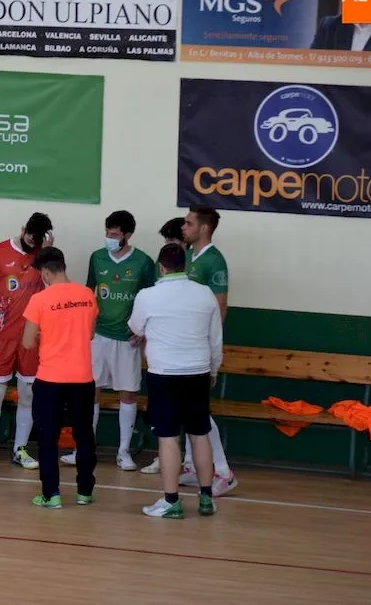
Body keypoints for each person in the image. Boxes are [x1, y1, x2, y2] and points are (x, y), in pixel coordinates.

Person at [128, 244, 222, 519]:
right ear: (186, 266)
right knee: (200, 434)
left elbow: (135, 327)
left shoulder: (148, 295)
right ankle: (206, 498)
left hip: (164, 374)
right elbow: (215, 338)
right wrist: (213, 369)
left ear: (161, 266)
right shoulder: (205, 294)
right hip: (198, 372)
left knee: (168, 438)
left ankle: (171, 501)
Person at [62, 211, 155, 471]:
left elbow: (151, 298)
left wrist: (143, 328)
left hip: (128, 341)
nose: (109, 238)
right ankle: (83, 448)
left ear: (127, 235)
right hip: (98, 337)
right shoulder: (97, 257)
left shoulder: (143, 262)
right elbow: (89, 293)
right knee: (90, 391)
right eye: (107, 233)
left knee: (128, 393)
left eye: (115, 234)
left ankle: (123, 452)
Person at [0, 212, 53, 473]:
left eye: (38, 240)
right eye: (31, 236)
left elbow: (53, 291)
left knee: (27, 395)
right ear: (23, 229)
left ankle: (20, 449)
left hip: (32, 339)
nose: (33, 242)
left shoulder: (44, 255)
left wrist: (47, 254)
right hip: (2, 336)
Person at [21, 247, 98, 509]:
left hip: (51, 378)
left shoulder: (40, 300)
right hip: (82, 377)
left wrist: (48, 335)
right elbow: (89, 335)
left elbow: (28, 342)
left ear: (44, 272)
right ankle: (85, 492)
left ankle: (51, 494)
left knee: (47, 437)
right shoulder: (87, 295)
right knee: (84, 436)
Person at [180, 205, 237, 496]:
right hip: (183, 345)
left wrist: (210, 350)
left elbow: (220, 308)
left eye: (189, 223)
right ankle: (192, 464)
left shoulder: (215, 261)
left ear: (203, 228)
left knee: (198, 412)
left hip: (199, 348)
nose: (183, 227)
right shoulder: (188, 255)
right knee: (188, 411)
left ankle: (223, 472)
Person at [140, 217, 186, 475]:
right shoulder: (156, 289)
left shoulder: (195, 278)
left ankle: (189, 463)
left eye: (172, 240)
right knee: (164, 414)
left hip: (185, 358)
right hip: (164, 358)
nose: (169, 245)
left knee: (190, 418)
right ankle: (167, 457)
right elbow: (139, 323)